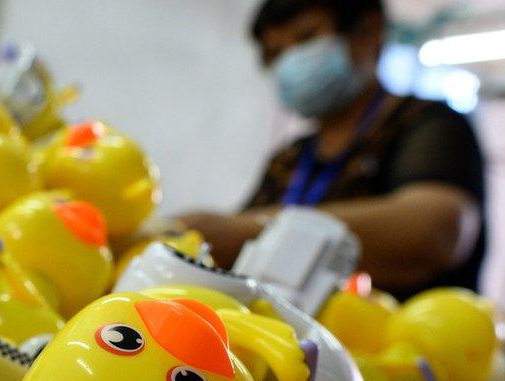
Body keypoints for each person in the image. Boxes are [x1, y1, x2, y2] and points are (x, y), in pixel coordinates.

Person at [179, 0, 485, 299]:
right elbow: (229, 244)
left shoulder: (426, 124)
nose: (290, 63)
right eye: (275, 54)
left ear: (367, 31)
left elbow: (435, 232)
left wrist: (256, 232)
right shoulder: (290, 158)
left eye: (306, 38)